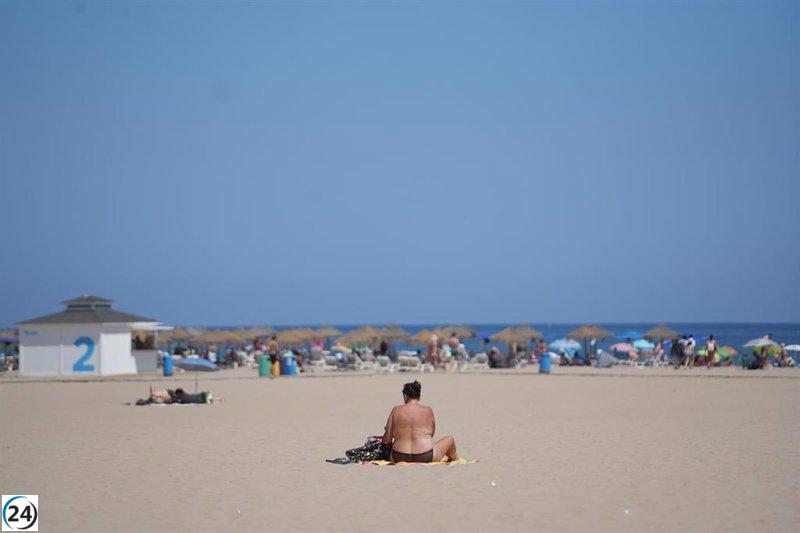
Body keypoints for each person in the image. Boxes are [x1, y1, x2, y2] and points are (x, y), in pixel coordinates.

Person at [382, 381, 458, 463]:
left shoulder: (395, 410)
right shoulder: (428, 410)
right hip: (425, 456)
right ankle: (454, 459)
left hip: (398, 456)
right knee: (450, 439)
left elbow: (387, 440)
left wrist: (390, 433)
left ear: (405, 396)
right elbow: (431, 434)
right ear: (419, 396)